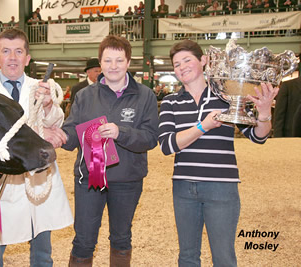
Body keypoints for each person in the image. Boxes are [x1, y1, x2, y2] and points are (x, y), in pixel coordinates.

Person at [158, 40, 278, 266]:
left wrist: (263, 113)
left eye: (187, 60)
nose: (181, 67)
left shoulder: (228, 96)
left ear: (203, 61)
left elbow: (258, 136)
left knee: (223, 257)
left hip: (221, 187)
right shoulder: (170, 102)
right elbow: (167, 145)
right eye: (176, 64)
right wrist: (203, 126)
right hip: (183, 187)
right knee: (187, 257)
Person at [0, 28, 73, 266]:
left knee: (42, 252)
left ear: (27, 58)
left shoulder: (39, 88)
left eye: (19, 51)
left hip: (36, 180)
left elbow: (56, 123)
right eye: (6, 51)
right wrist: (37, 134)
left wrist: (48, 105)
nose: (12, 57)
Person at [61, 35, 158, 266]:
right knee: (83, 239)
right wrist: (61, 135)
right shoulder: (84, 95)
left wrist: (120, 132)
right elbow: (73, 130)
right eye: (108, 60)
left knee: (121, 238)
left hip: (127, 179)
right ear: (100, 63)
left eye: (119, 60)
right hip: (90, 178)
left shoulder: (145, 96)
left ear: (128, 62)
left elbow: (151, 137)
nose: (113, 66)